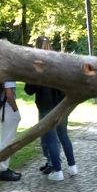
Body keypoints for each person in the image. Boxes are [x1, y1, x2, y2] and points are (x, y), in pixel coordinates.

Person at [24, 36, 79, 181]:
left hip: (46, 106)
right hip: (61, 104)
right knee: (63, 136)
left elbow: (29, 89)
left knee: (51, 139)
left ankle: (57, 170)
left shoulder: (37, 65)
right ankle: (73, 167)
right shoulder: (59, 62)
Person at [0, 31, 22, 182]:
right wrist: (16, 110)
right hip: (6, 107)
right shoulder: (5, 65)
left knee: (3, 137)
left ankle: (4, 167)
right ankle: (3, 170)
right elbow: (9, 93)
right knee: (7, 140)